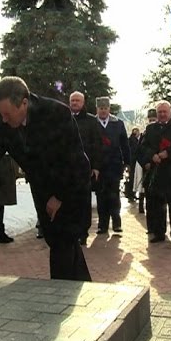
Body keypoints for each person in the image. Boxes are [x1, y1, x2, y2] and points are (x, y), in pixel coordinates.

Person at [0, 76, 92, 281]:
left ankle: (61, 299)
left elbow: (73, 161)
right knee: (60, 243)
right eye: (0, 114)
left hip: (71, 184)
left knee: (63, 241)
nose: (3, 119)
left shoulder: (56, 114)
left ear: (24, 103)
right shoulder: (3, 118)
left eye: (7, 114)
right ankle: (81, 289)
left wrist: (59, 196)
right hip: (41, 187)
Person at [137, 100, 171, 244]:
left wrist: (168, 153)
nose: (162, 114)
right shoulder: (151, 128)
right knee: (158, 205)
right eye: (160, 112)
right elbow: (143, 146)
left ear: (170, 112)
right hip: (157, 172)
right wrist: (151, 155)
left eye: (165, 111)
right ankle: (159, 233)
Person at [68, 91, 102, 245]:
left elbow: (97, 145)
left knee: (83, 201)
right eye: (72, 100)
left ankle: (83, 232)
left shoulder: (91, 121)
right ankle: (71, 230)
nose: (74, 103)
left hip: (84, 167)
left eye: (77, 101)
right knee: (69, 200)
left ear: (83, 103)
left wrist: (95, 166)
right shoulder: (63, 118)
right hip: (66, 168)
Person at [95, 97, 130, 236]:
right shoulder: (93, 123)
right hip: (99, 166)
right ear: (97, 109)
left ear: (109, 109)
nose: (103, 111)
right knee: (101, 196)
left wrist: (127, 162)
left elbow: (124, 145)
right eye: (100, 108)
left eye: (105, 108)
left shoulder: (118, 123)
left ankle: (116, 223)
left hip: (114, 165)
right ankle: (102, 225)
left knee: (114, 195)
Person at [133, 109, 158, 216]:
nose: (152, 121)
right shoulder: (145, 134)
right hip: (146, 168)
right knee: (145, 190)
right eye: (150, 120)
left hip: (159, 168)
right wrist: (145, 163)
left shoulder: (162, 132)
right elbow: (139, 152)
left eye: (154, 119)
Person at [126, 127, 140, 202]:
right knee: (132, 178)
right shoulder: (134, 141)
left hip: (131, 162)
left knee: (132, 178)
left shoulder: (131, 140)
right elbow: (135, 151)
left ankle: (132, 194)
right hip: (133, 162)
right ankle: (131, 194)